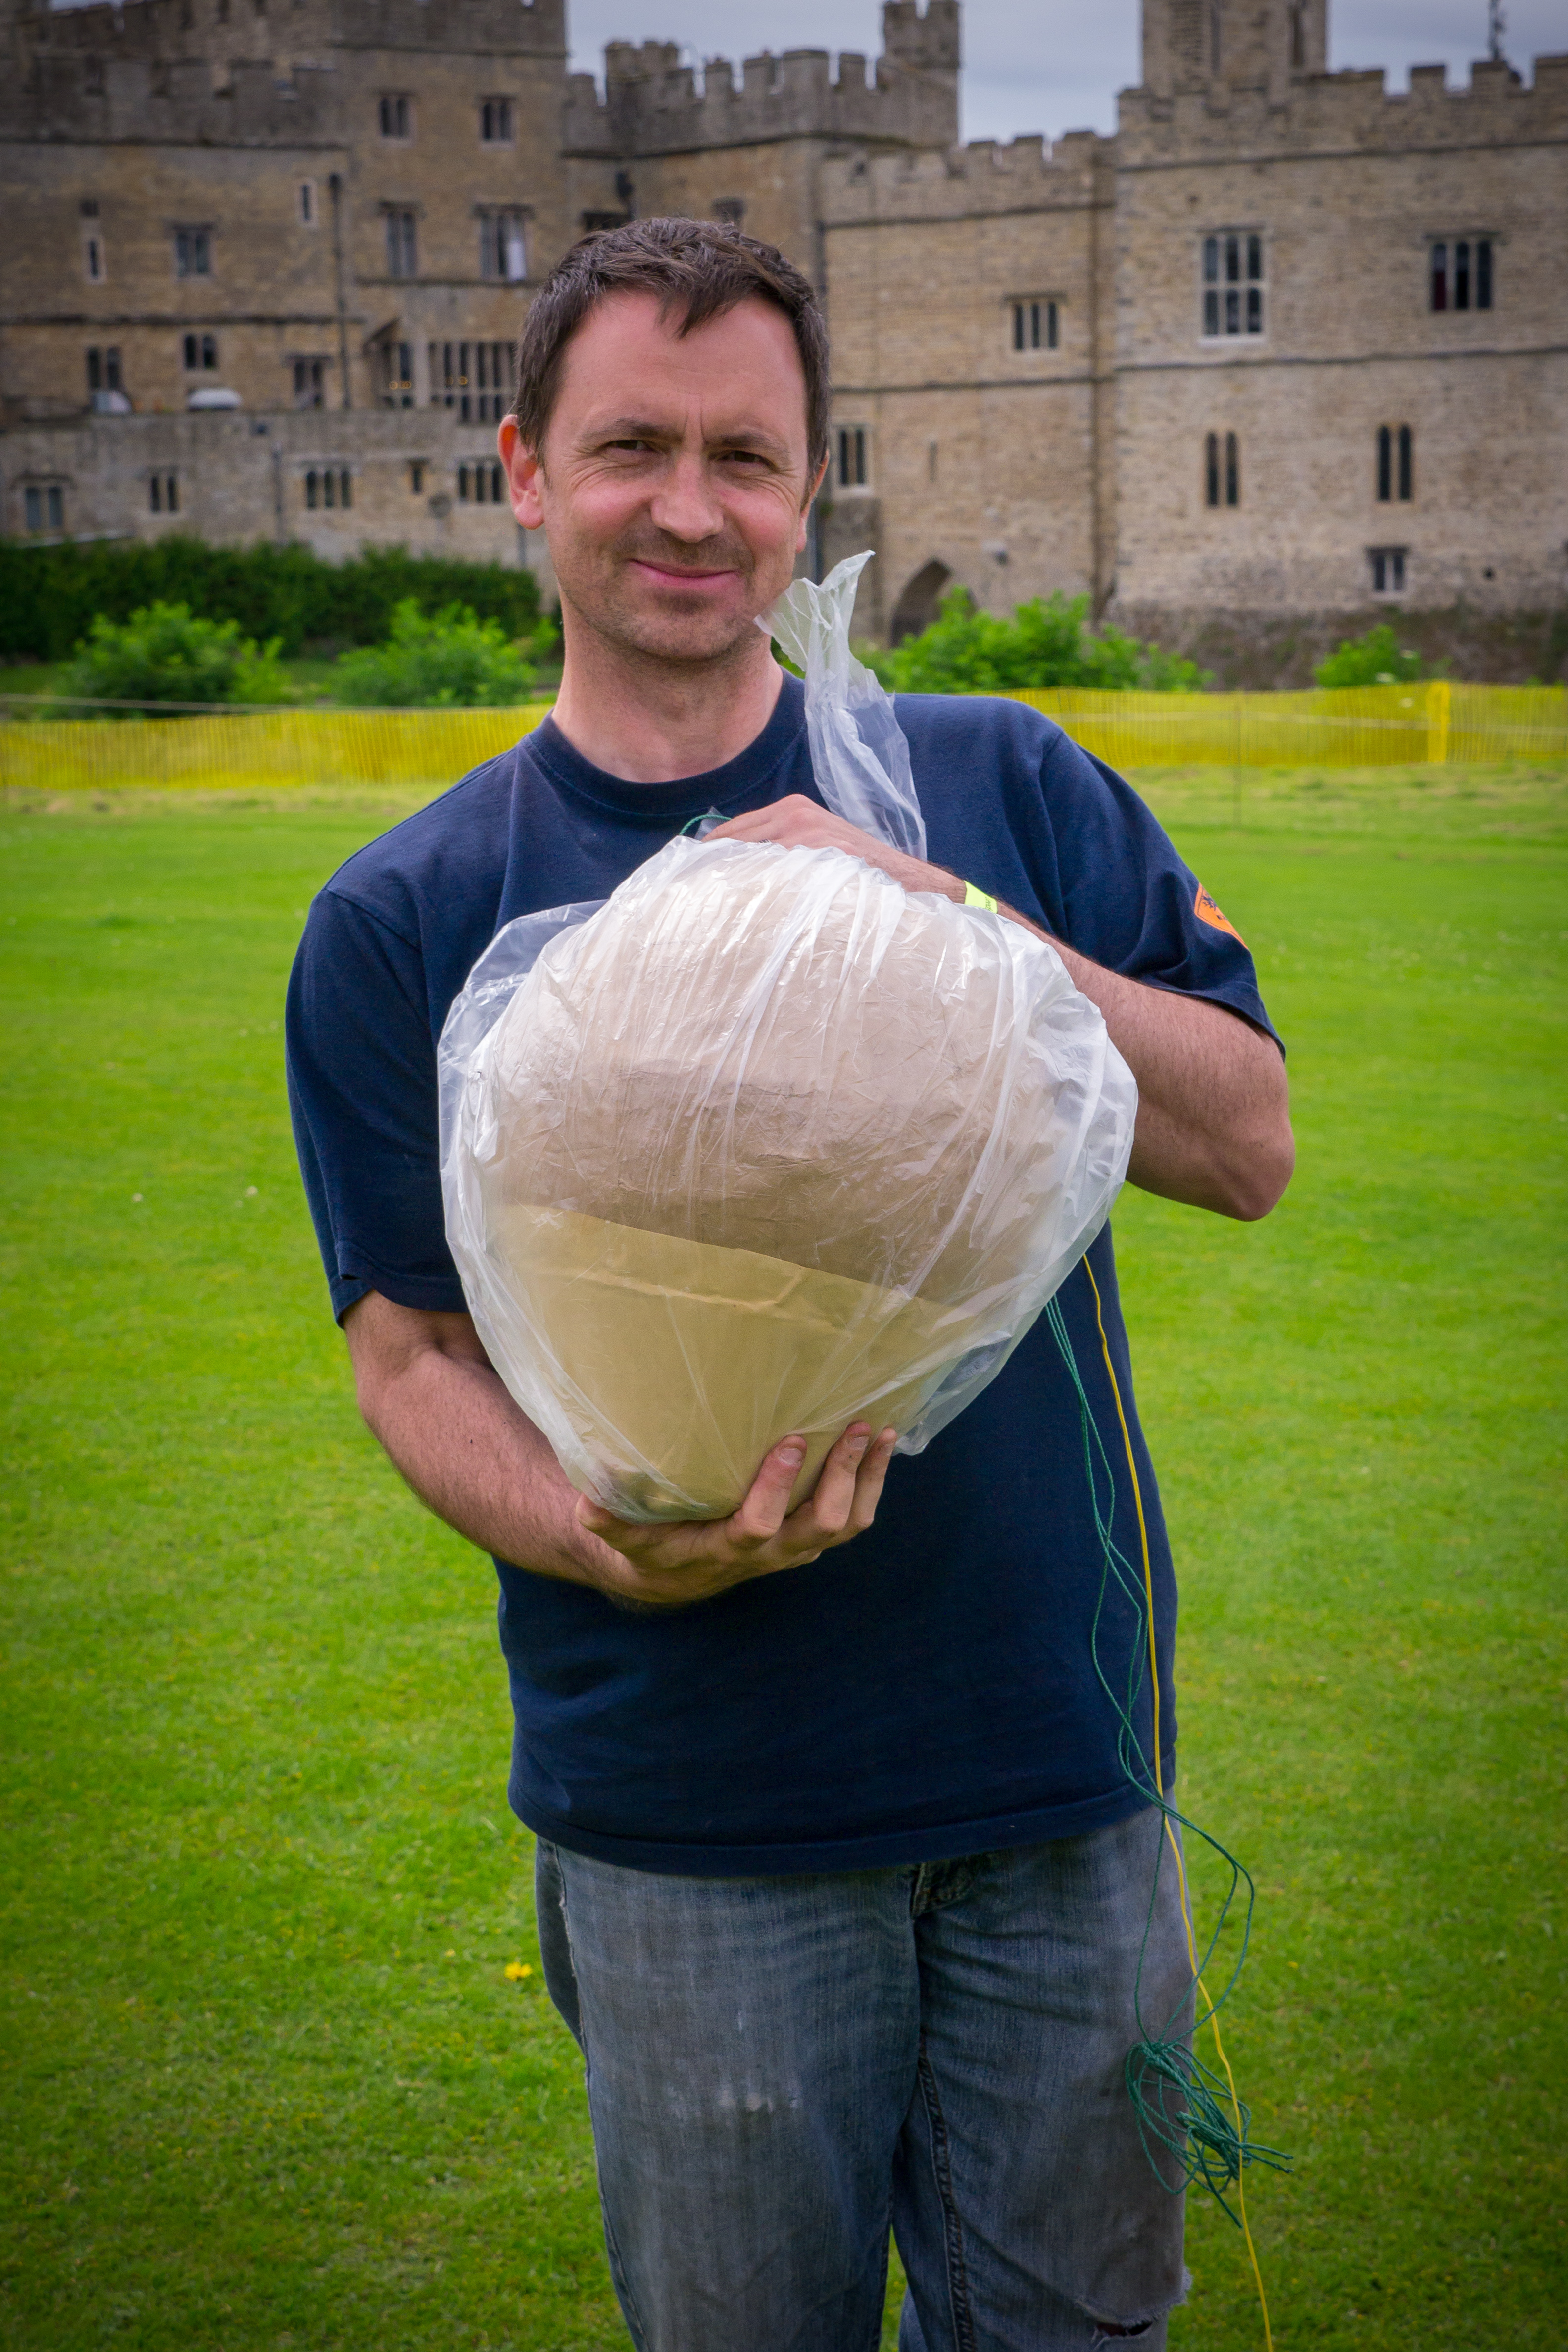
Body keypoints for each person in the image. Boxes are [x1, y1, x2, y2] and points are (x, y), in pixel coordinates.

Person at [286, 218, 1292, 2352]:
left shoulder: (1000, 786)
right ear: (527, 471)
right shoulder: (406, 915)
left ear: (809, 483)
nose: (691, 504)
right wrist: (593, 1536)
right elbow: (408, 1353)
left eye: (747, 455)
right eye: (631, 444)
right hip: (692, 1826)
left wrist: (944, 915)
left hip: (1060, 1780)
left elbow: (1246, 1145)